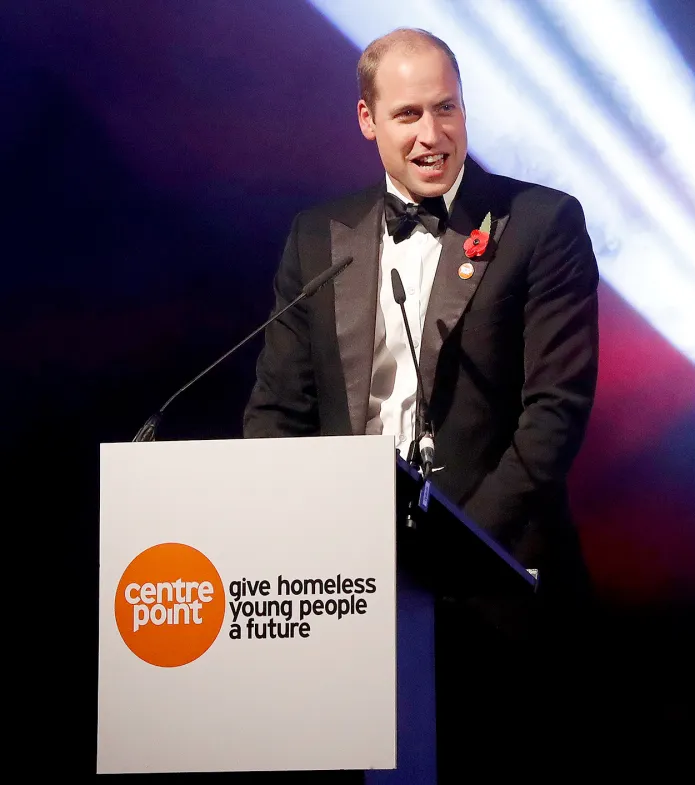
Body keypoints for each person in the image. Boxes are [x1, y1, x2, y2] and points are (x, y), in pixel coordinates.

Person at [244, 27, 600, 783]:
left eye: (448, 109)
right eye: (408, 115)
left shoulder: (542, 224)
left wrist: (454, 550)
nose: (432, 135)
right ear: (367, 120)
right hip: (347, 596)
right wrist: (301, 545)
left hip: (498, 594)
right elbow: (278, 412)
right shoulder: (318, 238)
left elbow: (553, 416)